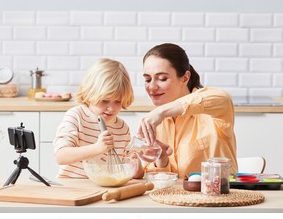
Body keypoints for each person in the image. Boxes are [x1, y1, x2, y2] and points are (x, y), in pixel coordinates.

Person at [137, 43, 238, 178]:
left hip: (220, 196)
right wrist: (161, 159)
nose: (152, 87)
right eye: (147, 79)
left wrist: (160, 112)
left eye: (162, 78)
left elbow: (223, 97)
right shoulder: (155, 123)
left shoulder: (210, 111)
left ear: (185, 78)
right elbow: (164, 181)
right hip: (177, 197)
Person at [53, 58, 144, 179]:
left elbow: (132, 172)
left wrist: (136, 166)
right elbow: (61, 156)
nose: (111, 108)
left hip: (105, 190)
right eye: (105, 100)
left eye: (117, 101)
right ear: (90, 93)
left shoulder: (122, 128)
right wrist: (97, 148)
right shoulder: (77, 116)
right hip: (73, 187)